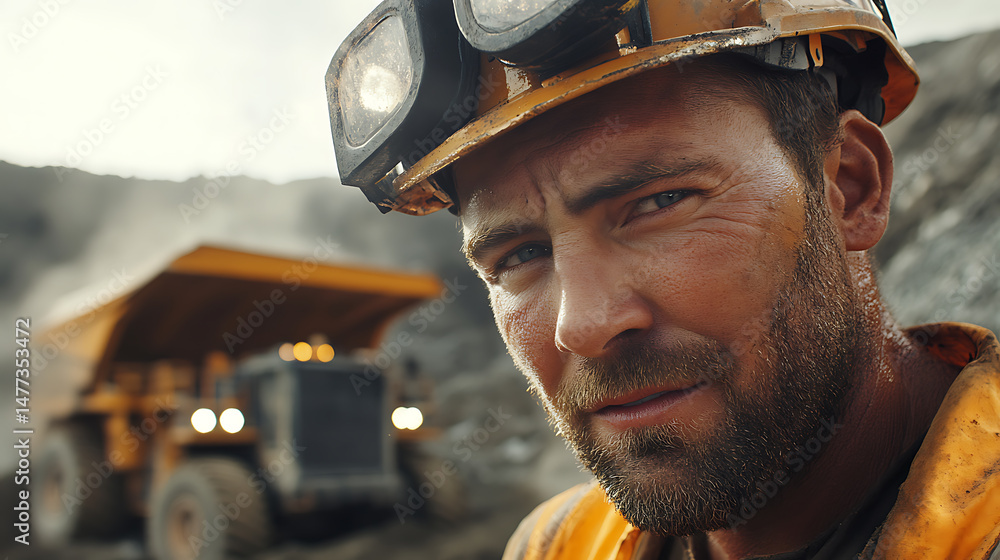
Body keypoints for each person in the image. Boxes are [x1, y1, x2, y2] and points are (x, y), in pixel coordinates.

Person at [326, 0, 1000, 558]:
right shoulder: (557, 546)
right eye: (519, 256)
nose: (583, 325)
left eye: (658, 204)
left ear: (850, 188)